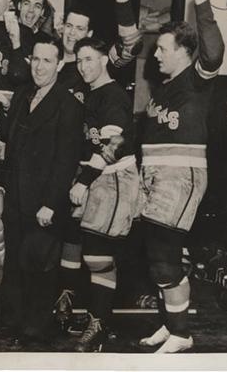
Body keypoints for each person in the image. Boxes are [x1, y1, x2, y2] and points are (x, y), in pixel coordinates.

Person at [136, 0, 224, 353]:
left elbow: (215, 54)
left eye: (162, 49)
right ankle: (172, 325)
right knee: (157, 254)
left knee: (164, 254)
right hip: (156, 173)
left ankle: (182, 334)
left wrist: (202, 6)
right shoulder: (166, 86)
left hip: (180, 174)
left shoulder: (195, 81)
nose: (155, 55)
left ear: (185, 51)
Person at [0, 37, 83, 345]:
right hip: (15, 195)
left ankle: (35, 328)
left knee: (39, 264)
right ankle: (14, 322)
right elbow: (14, 138)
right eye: (36, 59)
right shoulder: (22, 95)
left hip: (44, 200)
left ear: (59, 65)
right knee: (15, 260)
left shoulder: (68, 105)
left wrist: (51, 204)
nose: (39, 67)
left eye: (47, 61)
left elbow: (66, 160)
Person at [67, 37, 139, 352]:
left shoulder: (113, 95)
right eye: (79, 60)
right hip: (95, 174)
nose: (83, 66)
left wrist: (82, 181)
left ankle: (98, 324)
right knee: (79, 246)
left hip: (113, 177)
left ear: (103, 60)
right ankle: (87, 315)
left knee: (97, 254)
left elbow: (113, 146)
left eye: (89, 59)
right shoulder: (90, 93)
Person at [56, 0, 142, 102]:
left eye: (80, 28)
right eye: (69, 26)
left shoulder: (97, 62)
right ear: (62, 28)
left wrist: (122, 0)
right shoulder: (49, 55)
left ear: (89, 34)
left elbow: (132, 46)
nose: (72, 33)